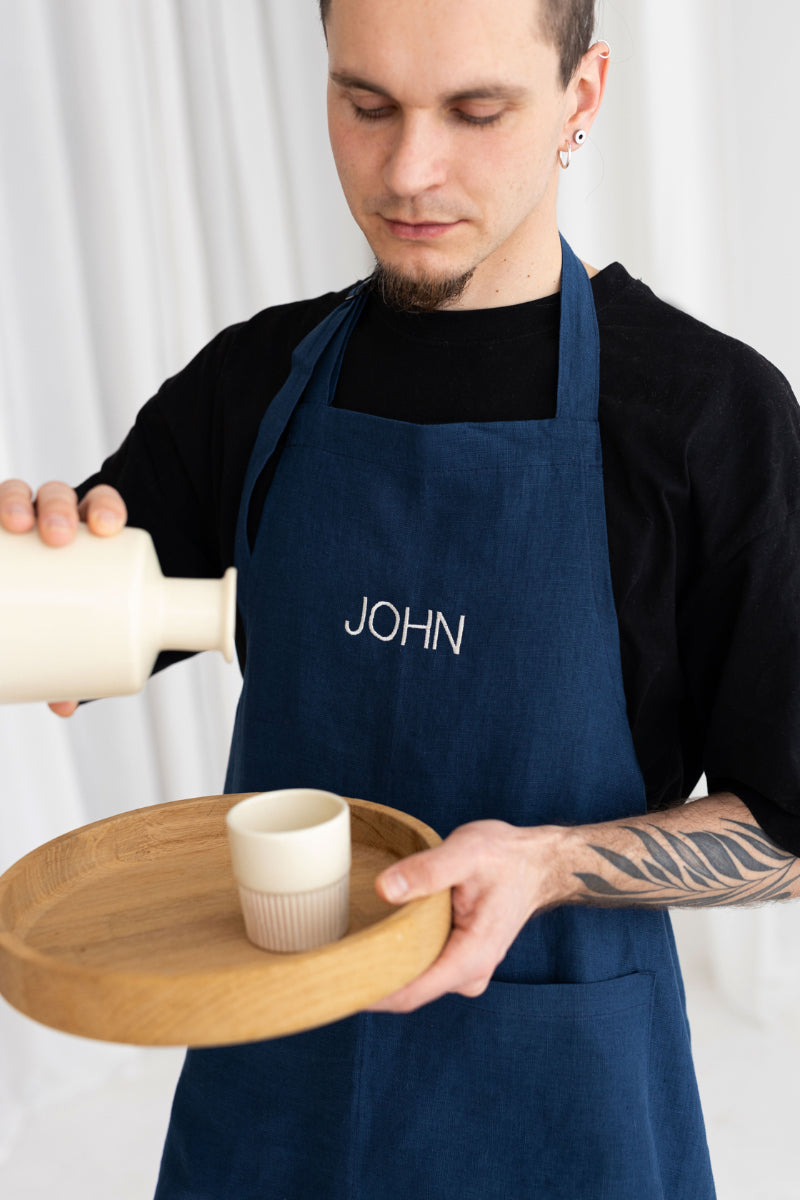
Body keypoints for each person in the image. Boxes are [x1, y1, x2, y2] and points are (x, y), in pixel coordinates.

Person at [2, 0, 800, 1195]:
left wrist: (553, 863)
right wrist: (42, 550)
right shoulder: (253, 383)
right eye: (364, 104)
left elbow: (789, 829)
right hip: (269, 1088)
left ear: (580, 96)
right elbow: (67, 625)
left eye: (475, 111)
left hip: (558, 1105)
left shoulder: (705, 416)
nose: (407, 170)